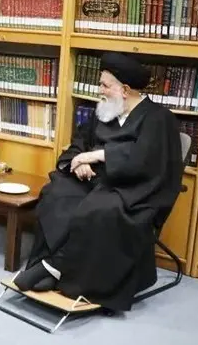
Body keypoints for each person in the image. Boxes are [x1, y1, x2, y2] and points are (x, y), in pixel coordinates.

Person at [16, 51, 184, 311]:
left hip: (134, 191)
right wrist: (79, 162)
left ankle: (57, 268)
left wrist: (97, 155)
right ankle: (50, 266)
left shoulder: (158, 118)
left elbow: (145, 161)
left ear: (125, 90)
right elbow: (79, 144)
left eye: (105, 85)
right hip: (95, 182)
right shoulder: (105, 111)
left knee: (100, 209)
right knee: (56, 193)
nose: (100, 90)